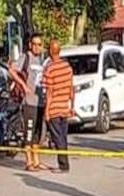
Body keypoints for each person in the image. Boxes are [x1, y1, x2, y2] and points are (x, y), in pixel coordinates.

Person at [8, 33, 46, 171]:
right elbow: (11, 71)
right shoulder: (26, 58)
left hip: (40, 101)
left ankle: (36, 161)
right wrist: (23, 86)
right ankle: (29, 162)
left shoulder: (42, 60)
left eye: (39, 44)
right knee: (28, 132)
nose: (37, 47)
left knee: (38, 133)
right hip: (29, 102)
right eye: (34, 44)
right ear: (30, 45)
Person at [42, 39, 75, 173]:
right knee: (63, 136)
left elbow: (49, 92)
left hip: (54, 108)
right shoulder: (67, 68)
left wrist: (47, 111)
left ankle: (63, 164)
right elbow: (71, 88)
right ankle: (64, 163)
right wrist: (72, 105)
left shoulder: (49, 69)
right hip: (64, 107)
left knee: (57, 138)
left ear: (50, 51)